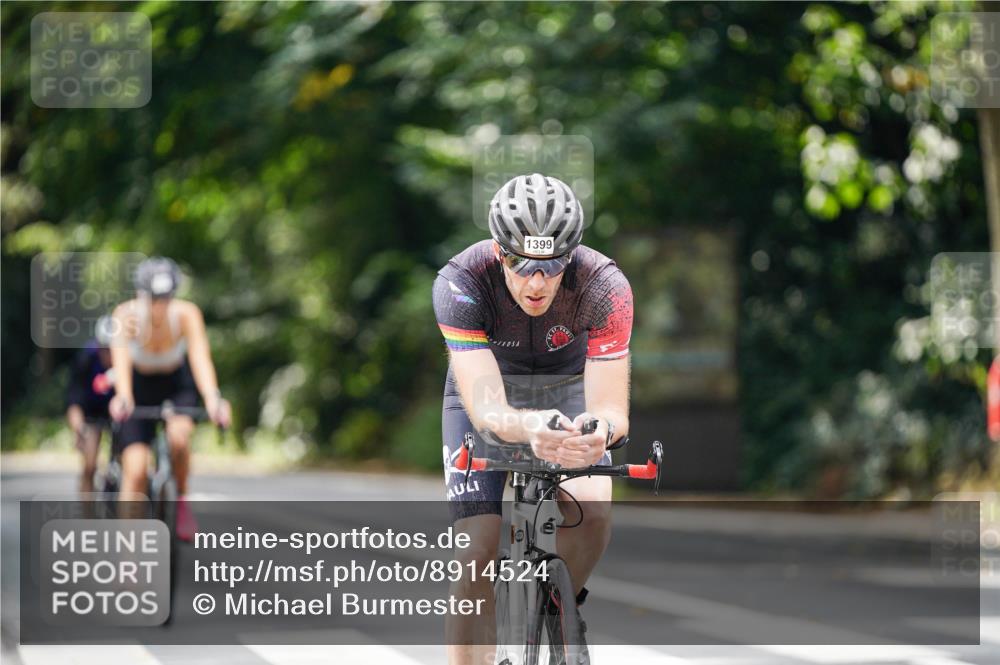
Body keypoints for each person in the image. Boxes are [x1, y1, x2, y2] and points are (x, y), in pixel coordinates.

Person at [433, 173, 634, 664]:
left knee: (596, 513)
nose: (536, 281)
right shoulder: (461, 282)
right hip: (486, 390)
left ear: (573, 255)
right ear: (499, 251)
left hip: (567, 389)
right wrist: (528, 427)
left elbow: (611, 411)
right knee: (474, 552)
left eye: (552, 264)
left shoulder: (606, 286)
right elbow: (488, 411)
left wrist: (598, 434)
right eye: (521, 263)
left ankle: (561, 603)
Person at [108, 257, 230, 540]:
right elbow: (121, 358)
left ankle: (182, 501)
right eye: (153, 299)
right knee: (136, 468)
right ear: (141, 294)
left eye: (165, 298)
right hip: (138, 384)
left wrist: (213, 398)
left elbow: (199, 356)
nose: (159, 306)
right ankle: (128, 553)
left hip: (176, 382)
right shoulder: (125, 315)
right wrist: (123, 396)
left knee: (179, 437)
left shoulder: (187, 314)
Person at [65, 315, 116, 497]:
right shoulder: (86, 359)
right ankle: (87, 515)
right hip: (92, 412)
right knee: (90, 463)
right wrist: (78, 428)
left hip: (119, 412)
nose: (109, 354)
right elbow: (74, 399)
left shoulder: (127, 360)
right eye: (105, 349)